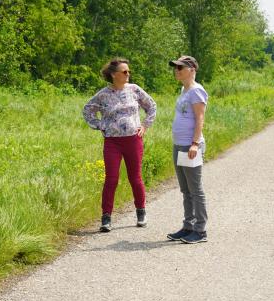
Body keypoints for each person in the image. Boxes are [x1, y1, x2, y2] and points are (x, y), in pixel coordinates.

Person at [83, 58, 157, 232]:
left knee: (135, 178)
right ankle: (106, 217)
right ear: (113, 74)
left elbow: (151, 106)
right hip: (112, 142)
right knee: (111, 179)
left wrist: (145, 125)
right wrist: (100, 125)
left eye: (128, 71)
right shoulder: (103, 94)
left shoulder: (134, 89)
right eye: (124, 71)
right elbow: (87, 110)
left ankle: (141, 212)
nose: (128, 74)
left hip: (133, 140)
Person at [166, 55, 209, 244]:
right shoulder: (183, 90)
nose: (176, 71)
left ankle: (200, 230)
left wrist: (195, 143)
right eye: (175, 67)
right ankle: (188, 226)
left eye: (180, 67)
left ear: (192, 69)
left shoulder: (196, 91)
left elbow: (200, 118)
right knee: (185, 189)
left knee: (195, 189)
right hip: (179, 145)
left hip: (190, 146)